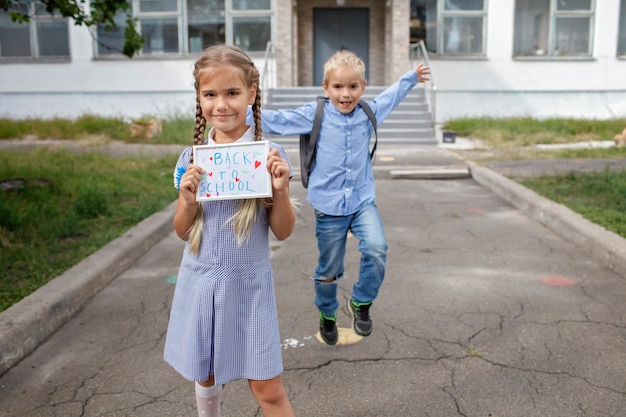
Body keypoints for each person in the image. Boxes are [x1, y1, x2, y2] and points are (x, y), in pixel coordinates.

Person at [250, 50, 430, 345]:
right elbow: (278, 120)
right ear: (326, 87)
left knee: (376, 248)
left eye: (353, 87)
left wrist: (411, 78)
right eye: (338, 87)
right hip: (328, 206)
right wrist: (237, 110)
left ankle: (361, 302)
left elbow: (390, 97)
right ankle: (327, 313)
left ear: (363, 86)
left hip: (362, 202)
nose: (345, 94)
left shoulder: (368, 113)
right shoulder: (315, 114)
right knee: (329, 269)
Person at [164, 44, 297, 417]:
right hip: (202, 279)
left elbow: (283, 232)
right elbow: (180, 230)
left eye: (232, 93)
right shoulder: (190, 160)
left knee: (267, 386)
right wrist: (188, 201)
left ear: (251, 93)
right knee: (205, 373)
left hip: (249, 284)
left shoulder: (271, 156)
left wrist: (282, 191)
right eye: (210, 94)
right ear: (200, 98)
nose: (221, 105)